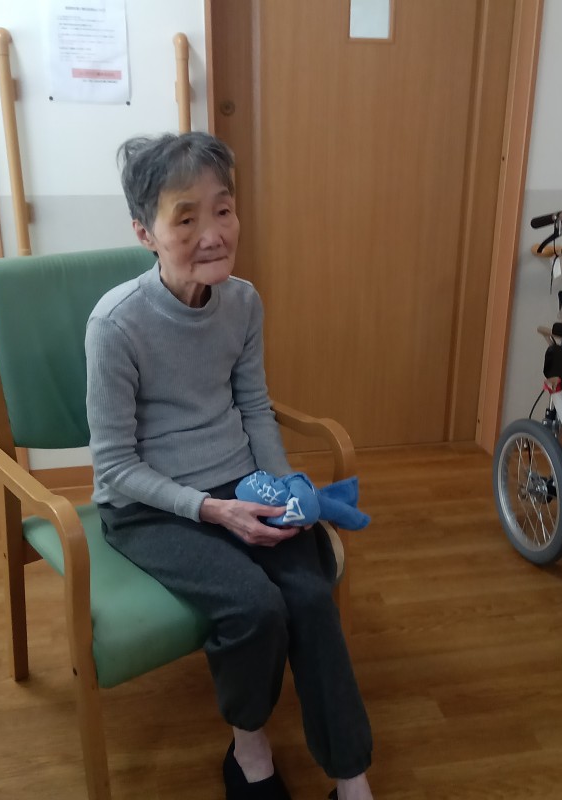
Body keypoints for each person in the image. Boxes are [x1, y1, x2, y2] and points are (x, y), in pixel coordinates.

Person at [85, 131, 373, 800]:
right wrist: (213, 510)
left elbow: (254, 406)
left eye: (223, 209)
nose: (213, 234)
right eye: (186, 218)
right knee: (254, 607)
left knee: (311, 594)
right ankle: (249, 749)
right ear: (145, 232)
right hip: (151, 507)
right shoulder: (116, 326)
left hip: (242, 482)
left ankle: (351, 777)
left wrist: (285, 488)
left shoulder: (242, 302)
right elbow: (115, 466)